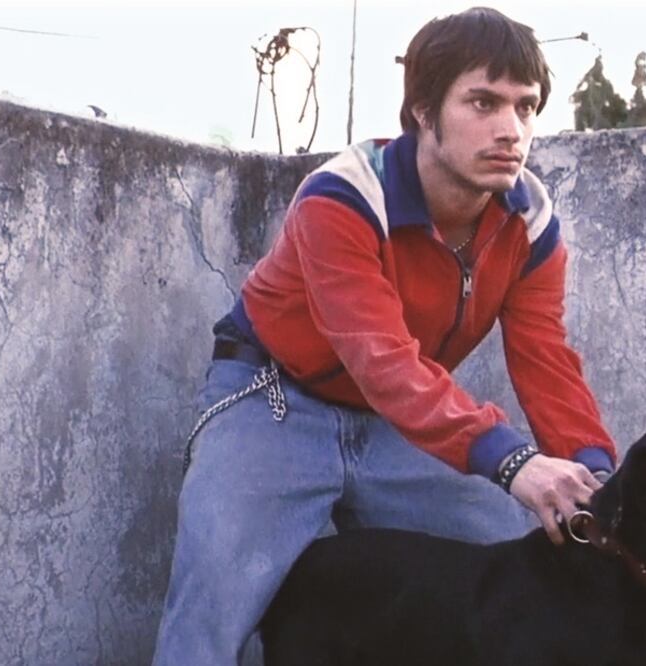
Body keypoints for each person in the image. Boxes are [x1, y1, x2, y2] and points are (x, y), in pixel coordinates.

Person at [153, 7, 618, 664]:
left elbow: (547, 363)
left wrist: (602, 484)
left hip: (400, 426)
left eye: (526, 106)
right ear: (424, 110)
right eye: (483, 102)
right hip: (274, 397)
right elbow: (382, 359)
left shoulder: (530, 223)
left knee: (505, 575)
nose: (511, 129)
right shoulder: (343, 196)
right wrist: (515, 464)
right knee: (216, 606)